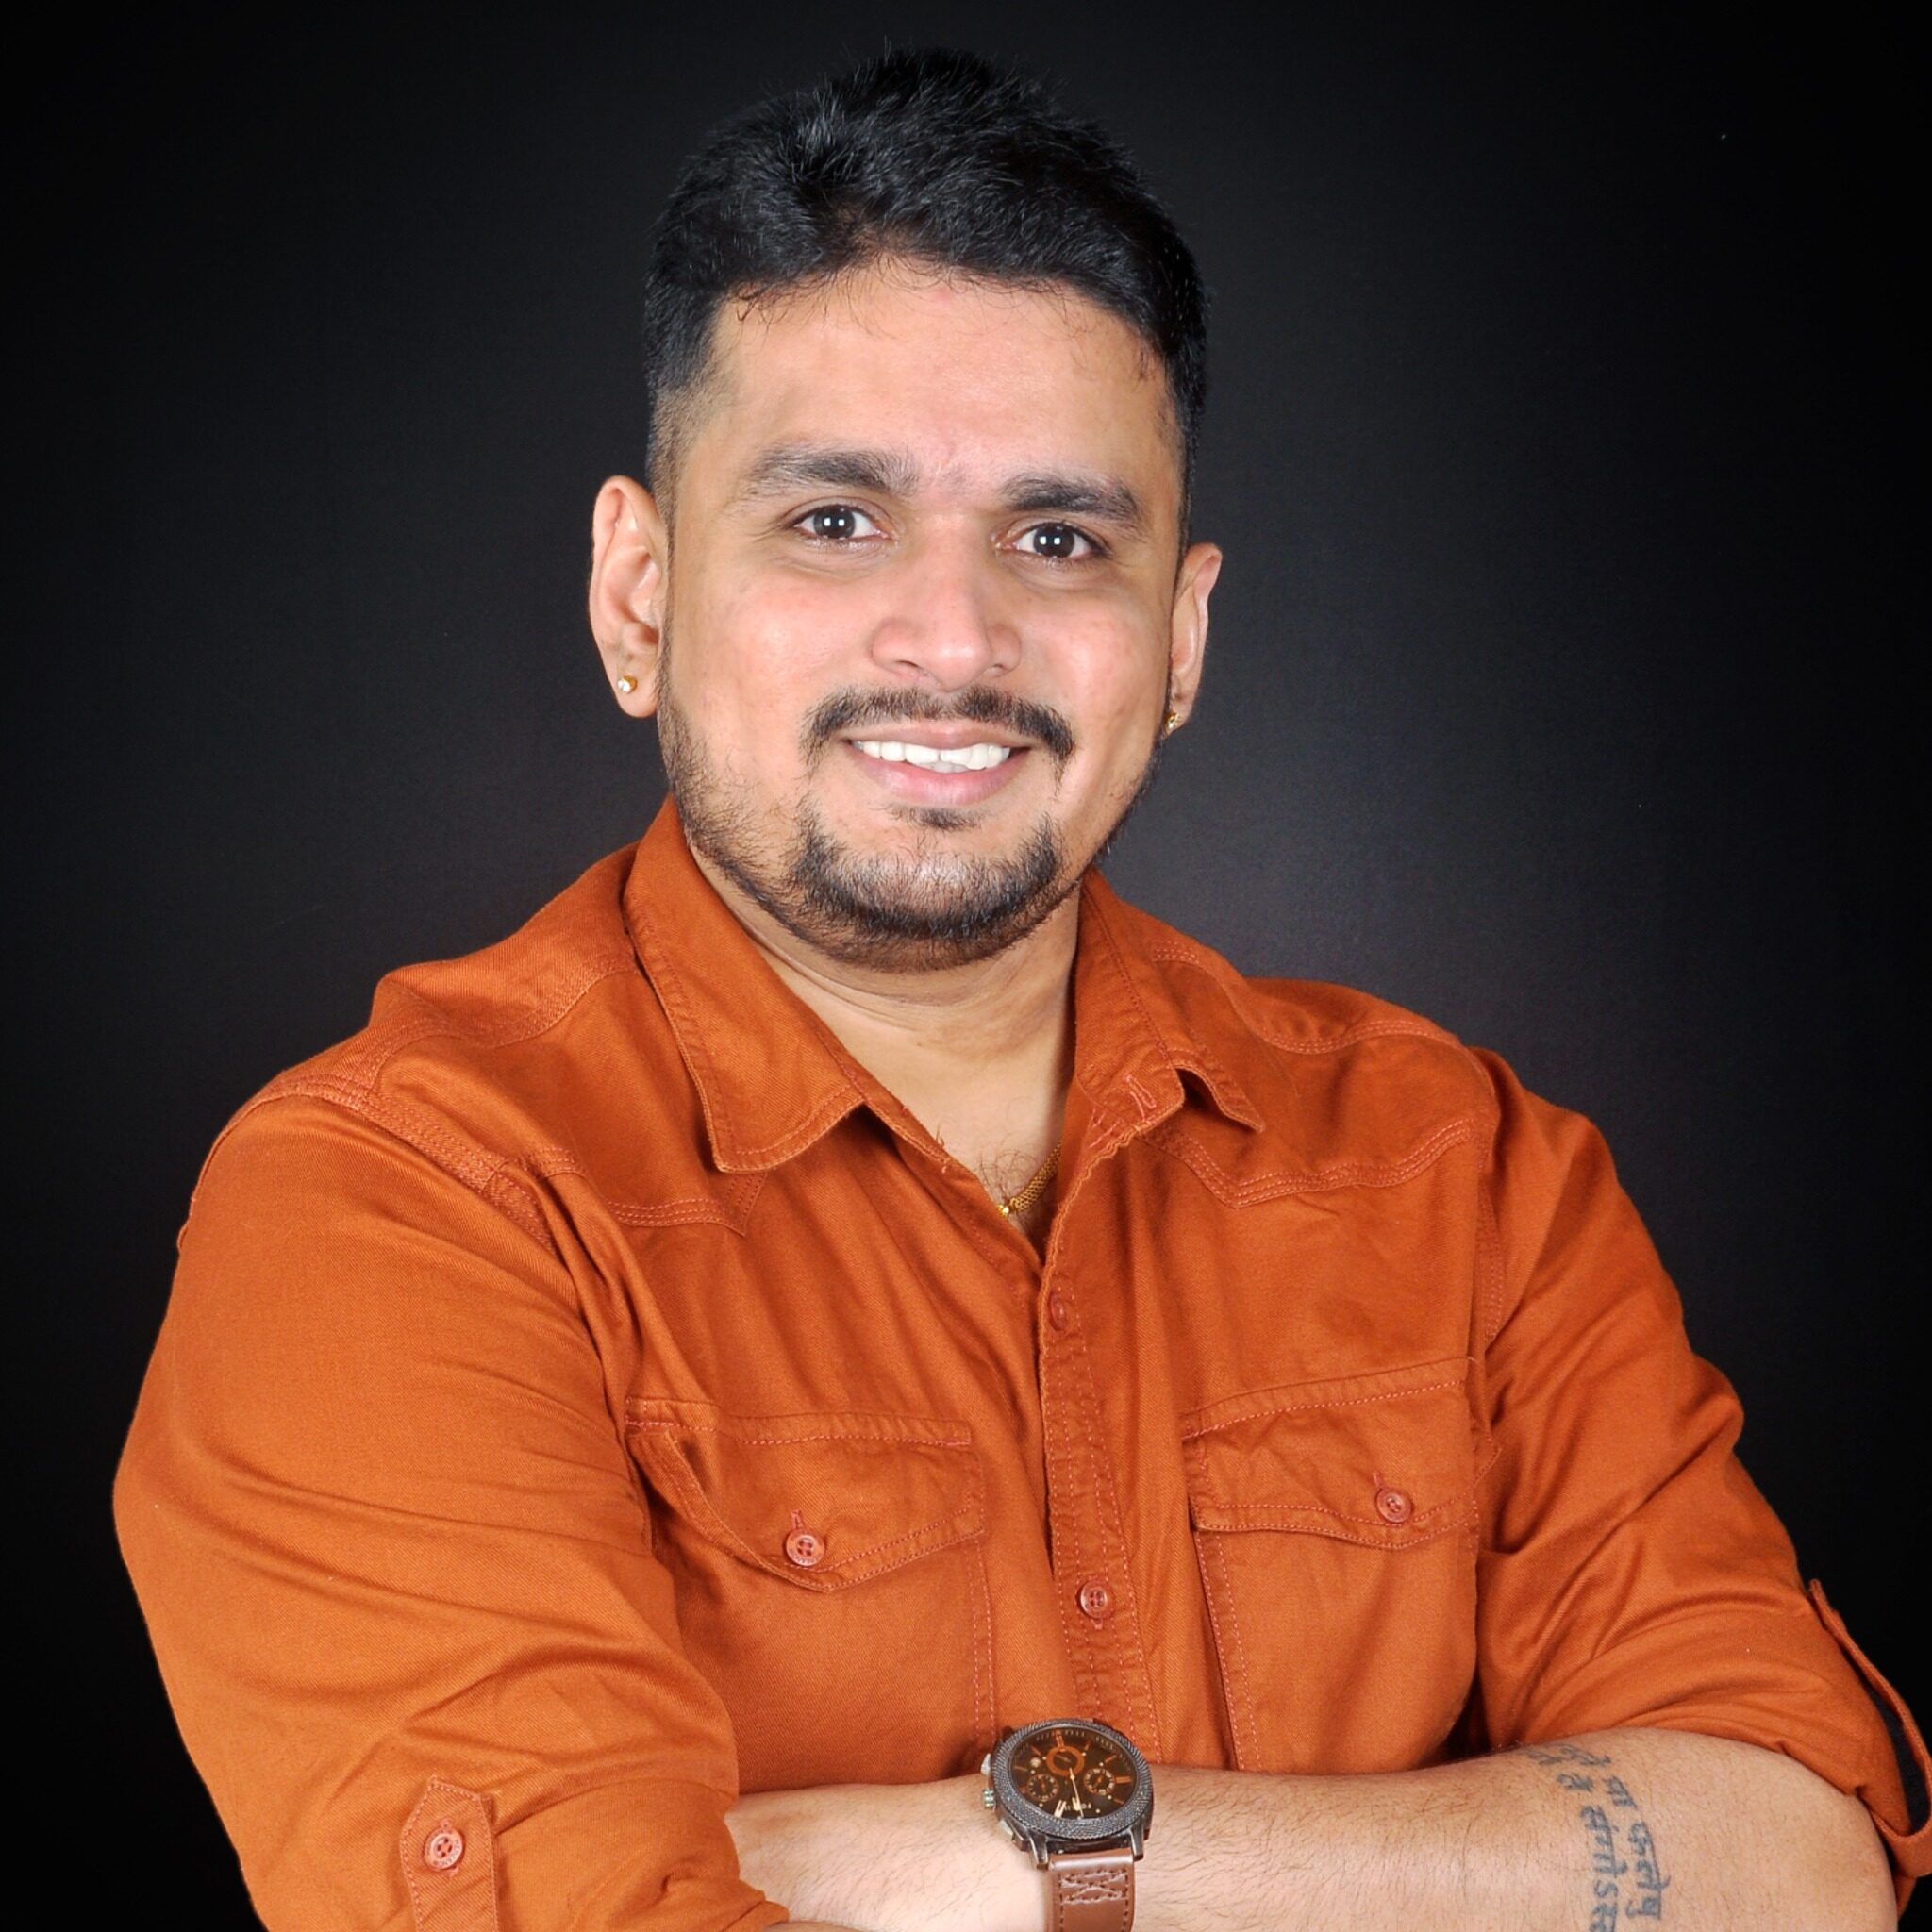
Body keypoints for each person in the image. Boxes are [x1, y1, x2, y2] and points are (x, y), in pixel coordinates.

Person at [116, 46, 1927, 1932]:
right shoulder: (395, 1202)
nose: (954, 641)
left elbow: (1794, 1870)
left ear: (1180, 636)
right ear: (637, 598)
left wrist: (1016, 1857)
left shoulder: (1464, 1173)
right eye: (835, 519)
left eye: (1059, 539)